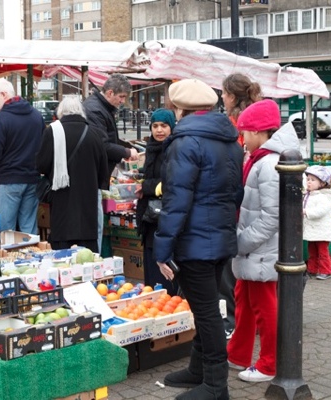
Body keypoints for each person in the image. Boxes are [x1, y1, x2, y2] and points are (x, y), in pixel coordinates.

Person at [154, 79, 243, 400]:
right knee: (204, 307)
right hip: (220, 236)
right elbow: (235, 192)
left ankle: (216, 386)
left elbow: (176, 201)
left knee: (206, 312)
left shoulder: (185, 142)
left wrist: (162, 249)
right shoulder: (229, 139)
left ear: (179, 109)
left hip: (195, 241)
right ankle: (198, 370)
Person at [227, 99, 300, 383]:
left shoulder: (267, 164)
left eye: (244, 132)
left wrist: (242, 243)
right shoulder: (260, 160)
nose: (242, 139)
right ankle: (238, 354)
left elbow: (271, 218)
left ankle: (269, 364)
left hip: (258, 249)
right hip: (252, 249)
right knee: (244, 300)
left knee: (263, 307)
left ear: (258, 132)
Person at [219, 73, 263, 340]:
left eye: (223, 93)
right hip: (250, 200)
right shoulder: (251, 118)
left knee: (232, 267)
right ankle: (249, 321)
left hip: (241, 201)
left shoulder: (236, 124)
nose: (221, 98)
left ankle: (234, 322)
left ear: (232, 96)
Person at [36, 96, 108, 253]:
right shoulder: (94, 133)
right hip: (87, 206)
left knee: (62, 254)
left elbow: (41, 164)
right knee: (87, 256)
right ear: (81, 112)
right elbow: (103, 171)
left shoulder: (52, 132)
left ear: (61, 112)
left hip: (62, 203)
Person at [83, 74, 139, 252]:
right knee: (95, 224)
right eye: (121, 97)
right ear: (109, 92)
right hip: (92, 175)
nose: (123, 101)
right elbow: (103, 145)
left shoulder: (101, 108)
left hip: (96, 173)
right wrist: (126, 152)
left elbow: (108, 138)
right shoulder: (95, 110)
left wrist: (125, 146)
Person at [0, 79, 44, 234]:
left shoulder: (1, 118)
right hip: (32, 178)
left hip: (9, 179)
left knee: (6, 231)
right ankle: (32, 257)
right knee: (29, 229)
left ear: (4, 95)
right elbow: (43, 147)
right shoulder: (36, 115)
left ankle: (8, 258)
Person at [134, 108, 179, 295]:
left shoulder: (175, 149)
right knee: (152, 269)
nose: (159, 130)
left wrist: (147, 187)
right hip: (150, 217)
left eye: (164, 126)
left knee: (164, 270)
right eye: (155, 126)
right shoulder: (151, 148)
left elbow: (173, 180)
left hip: (165, 217)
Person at [303, 165, 331, 280]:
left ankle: (325, 270)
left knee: (322, 252)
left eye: (313, 180)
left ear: (322, 183)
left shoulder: (324, 197)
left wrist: (306, 212)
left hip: (321, 231)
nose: (309, 182)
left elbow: (321, 211)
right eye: (308, 179)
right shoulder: (309, 195)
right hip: (312, 230)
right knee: (312, 251)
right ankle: (312, 269)